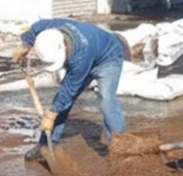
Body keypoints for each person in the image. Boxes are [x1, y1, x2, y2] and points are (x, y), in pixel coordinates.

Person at [12, 18, 127, 162]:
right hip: (92, 50)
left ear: (65, 47)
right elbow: (36, 27)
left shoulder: (80, 57)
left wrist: (51, 115)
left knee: (107, 101)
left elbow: (68, 91)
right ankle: (45, 145)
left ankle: (120, 144)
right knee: (61, 104)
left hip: (109, 57)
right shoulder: (51, 29)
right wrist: (26, 44)